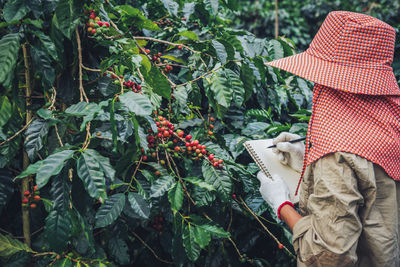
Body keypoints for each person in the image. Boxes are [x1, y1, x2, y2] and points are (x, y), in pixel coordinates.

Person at [257, 11, 400, 267]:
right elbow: (371, 189)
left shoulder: (338, 154)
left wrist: (282, 205)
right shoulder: (390, 122)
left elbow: (330, 256)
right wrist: (308, 163)